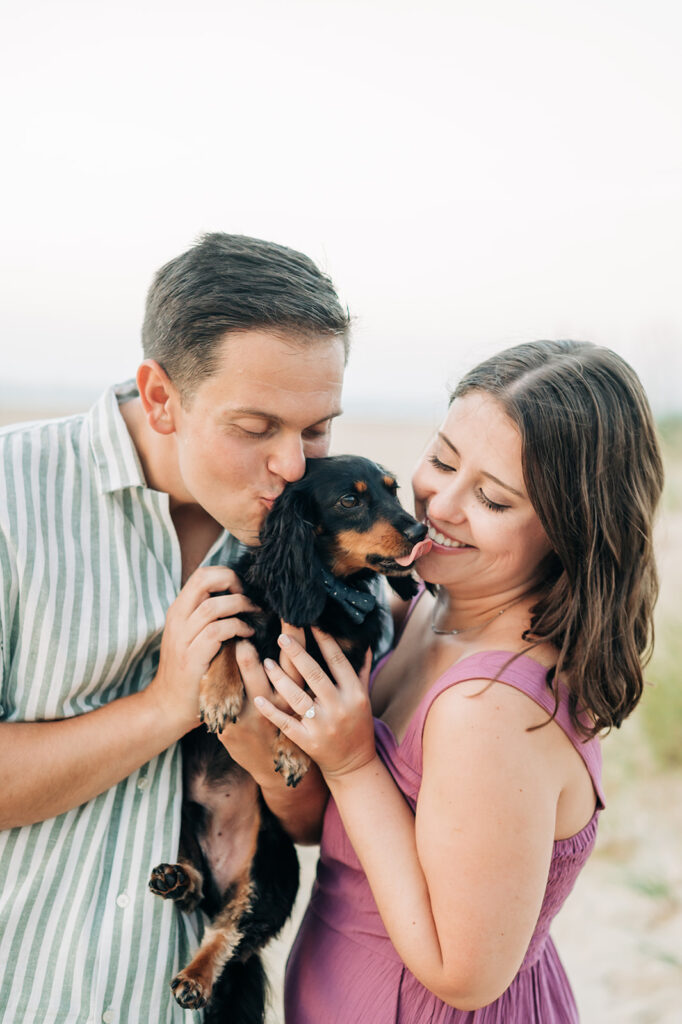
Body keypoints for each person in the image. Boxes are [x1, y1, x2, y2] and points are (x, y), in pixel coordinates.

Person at [244, 340, 664, 1023]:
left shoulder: (490, 709)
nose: (438, 506)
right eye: (441, 459)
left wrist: (352, 765)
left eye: (493, 499)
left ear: (570, 533)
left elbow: (463, 975)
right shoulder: (422, 611)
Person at [0, 232, 354, 1022]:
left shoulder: (326, 530)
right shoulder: (8, 498)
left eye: (318, 428)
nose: (294, 466)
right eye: (256, 427)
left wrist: (272, 759)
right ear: (160, 396)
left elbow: (308, 819)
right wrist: (168, 704)